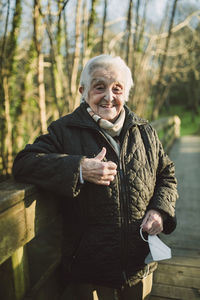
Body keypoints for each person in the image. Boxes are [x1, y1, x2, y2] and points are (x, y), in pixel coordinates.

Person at [12, 54, 178, 300]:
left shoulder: (145, 131)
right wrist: (78, 168)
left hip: (139, 266)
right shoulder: (63, 130)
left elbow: (167, 175)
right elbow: (24, 162)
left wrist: (160, 211)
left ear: (126, 93)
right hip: (88, 273)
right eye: (99, 87)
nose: (109, 97)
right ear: (83, 90)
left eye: (117, 89)